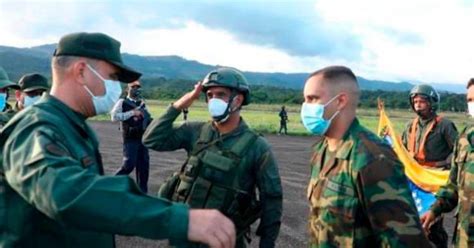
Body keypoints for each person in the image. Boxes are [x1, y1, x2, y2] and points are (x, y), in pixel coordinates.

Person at [0, 32, 235, 248]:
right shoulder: (36, 128)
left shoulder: (72, 126)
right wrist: (179, 218)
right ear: (81, 71)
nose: (117, 87)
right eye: (112, 76)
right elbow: (63, 191)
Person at [143, 67, 283, 248]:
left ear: (238, 100)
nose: (213, 100)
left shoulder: (257, 147)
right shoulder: (195, 131)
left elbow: (272, 199)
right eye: (210, 95)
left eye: (221, 94)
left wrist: (267, 244)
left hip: (225, 242)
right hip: (186, 236)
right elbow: (151, 140)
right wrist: (181, 104)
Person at [302, 65, 433, 247]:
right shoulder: (321, 151)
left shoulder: (373, 158)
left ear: (340, 101)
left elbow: (405, 240)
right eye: (304, 100)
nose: (305, 107)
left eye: (313, 99)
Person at [401, 84, 458, 247]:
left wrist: (446, 164)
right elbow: (402, 151)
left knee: (433, 223)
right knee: (413, 219)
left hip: (435, 180)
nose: (418, 104)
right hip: (414, 181)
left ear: (432, 103)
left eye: (422, 101)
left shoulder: (445, 125)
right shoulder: (408, 127)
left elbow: (459, 151)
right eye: (415, 101)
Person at [421, 78, 474, 247]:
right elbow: (453, 186)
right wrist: (434, 211)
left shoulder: (446, 126)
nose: (472, 104)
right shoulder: (465, 138)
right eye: (470, 100)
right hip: (465, 238)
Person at [111, 80, 151, 193]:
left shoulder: (142, 103)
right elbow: (114, 117)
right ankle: (110, 184)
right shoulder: (122, 102)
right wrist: (132, 113)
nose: (136, 89)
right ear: (127, 89)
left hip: (142, 138)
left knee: (143, 167)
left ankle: (142, 193)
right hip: (130, 138)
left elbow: (147, 117)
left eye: (138, 87)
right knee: (129, 165)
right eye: (133, 86)